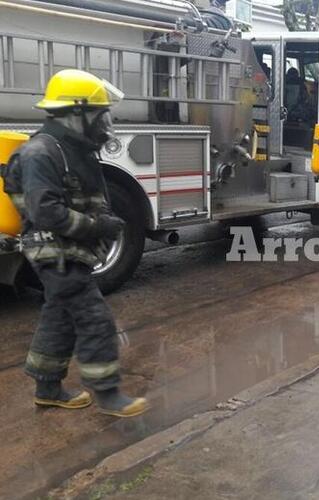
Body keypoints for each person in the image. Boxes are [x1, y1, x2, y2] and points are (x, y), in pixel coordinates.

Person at [2, 69, 148, 418]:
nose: (104, 124)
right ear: (77, 114)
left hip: (68, 251)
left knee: (59, 317)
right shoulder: (41, 153)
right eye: (100, 116)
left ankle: (47, 389)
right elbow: (47, 212)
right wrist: (97, 227)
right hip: (55, 253)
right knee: (94, 319)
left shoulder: (70, 149)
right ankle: (109, 394)